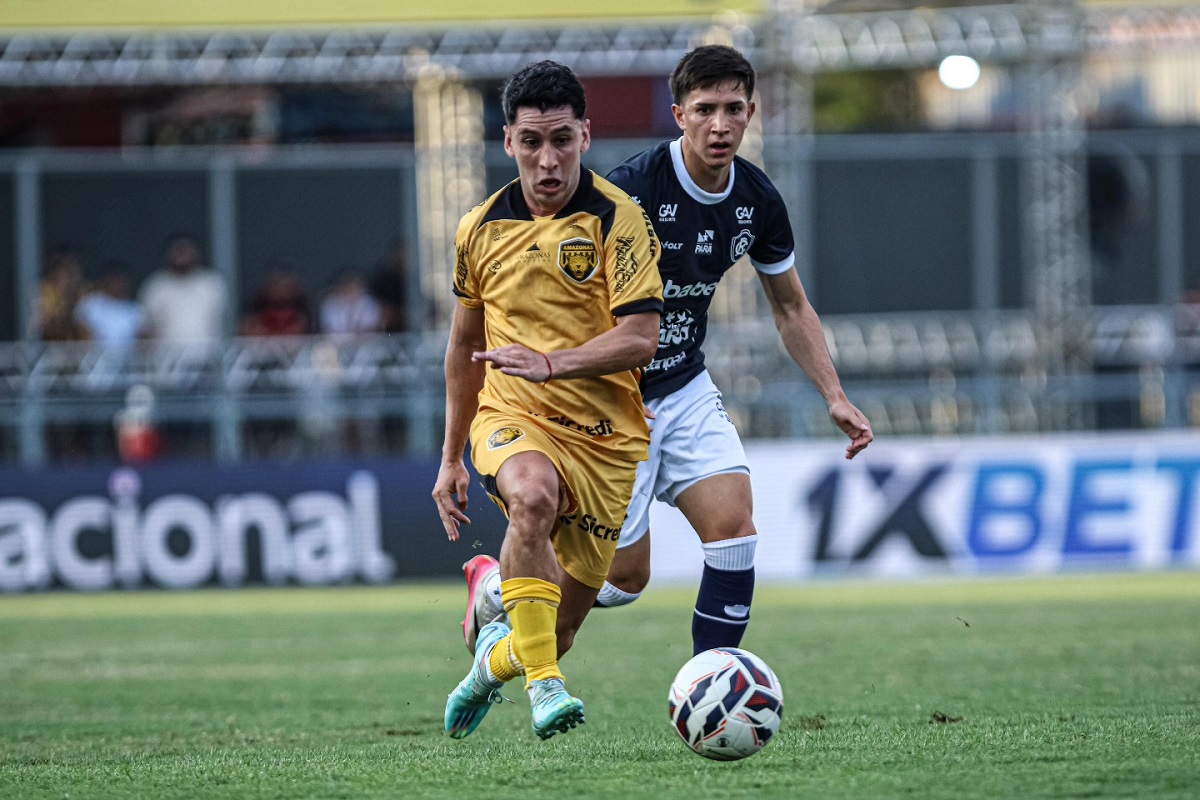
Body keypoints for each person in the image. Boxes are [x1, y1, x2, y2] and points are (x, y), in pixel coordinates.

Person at [461, 45, 873, 659]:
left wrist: (834, 394)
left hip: (682, 387)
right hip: (605, 405)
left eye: (734, 109)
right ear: (679, 114)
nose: (720, 124)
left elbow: (790, 306)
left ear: (752, 112)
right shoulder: (627, 194)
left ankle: (716, 684)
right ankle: (499, 587)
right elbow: (560, 305)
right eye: (705, 109)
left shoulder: (757, 202)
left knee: (734, 529)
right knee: (620, 582)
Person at [432, 60, 663, 741]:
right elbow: (462, 348)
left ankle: (493, 646)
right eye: (531, 142)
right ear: (509, 143)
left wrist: (552, 363)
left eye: (561, 139)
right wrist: (450, 458)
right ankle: (544, 689)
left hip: (607, 440)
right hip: (514, 416)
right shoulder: (478, 229)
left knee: (554, 631)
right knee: (531, 497)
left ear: (585, 136)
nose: (547, 158)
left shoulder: (619, 221)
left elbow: (642, 337)